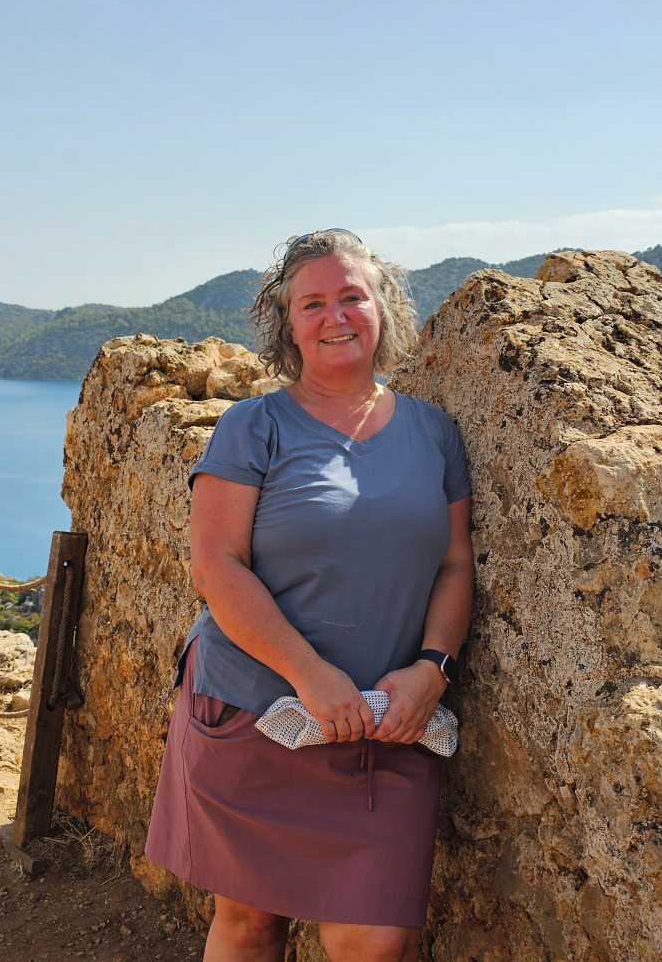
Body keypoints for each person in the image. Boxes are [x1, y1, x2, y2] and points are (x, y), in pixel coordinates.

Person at [145, 229, 475, 962]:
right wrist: (310, 674)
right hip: (258, 709)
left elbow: (456, 564)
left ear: (383, 307)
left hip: (388, 723)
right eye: (312, 303)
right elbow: (217, 566)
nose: (336, 316)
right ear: (287, 325)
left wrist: (433, 669)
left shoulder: (434, 432)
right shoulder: (252, 426)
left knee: (373, 940)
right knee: (249, 920)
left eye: (352, 296)